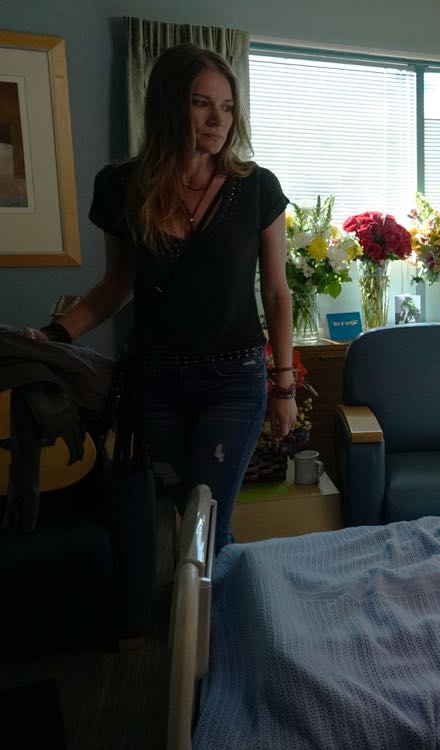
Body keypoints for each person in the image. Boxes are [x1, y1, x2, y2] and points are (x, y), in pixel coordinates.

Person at [24, 44, 294, 551]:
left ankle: (208, 604)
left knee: (208, 523)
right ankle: (202, 600)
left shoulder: (257, 187)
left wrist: (284, 385)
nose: (218, 120)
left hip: (233, 379)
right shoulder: (122, 186)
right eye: (201, 103)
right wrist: (54, 336)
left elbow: (277, 292)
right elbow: (116, 284)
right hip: (155, 383)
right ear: (169, 105)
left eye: (227, 107)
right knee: (186, 514)